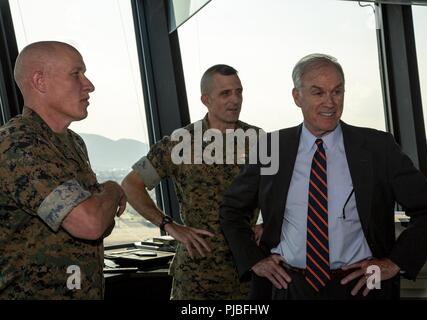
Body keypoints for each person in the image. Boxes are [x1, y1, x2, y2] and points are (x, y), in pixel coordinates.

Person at [219, 53, 427, 300]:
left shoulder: (377, 147)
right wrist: (254, 260)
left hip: (363, 283)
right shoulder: (271, 147)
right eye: (318, 93)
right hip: (287, 283)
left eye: (337, 92)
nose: (330, 102)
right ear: (297, 97)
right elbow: (232, 210)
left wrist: (394, 263)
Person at [121, 64, 260, 299]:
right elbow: (131, 184)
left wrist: (270, 226)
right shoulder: (180, 143)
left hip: (247, 271)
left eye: (239, 92)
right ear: (206, 99)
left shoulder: (259, 141)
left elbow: (283, 193)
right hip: (198, 275)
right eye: (225, 93)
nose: (235, 100)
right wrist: (169, 225)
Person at [0, 41, 126, 299]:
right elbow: (89, 224)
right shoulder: (18, 142)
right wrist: (114, 189)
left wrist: (100, 208)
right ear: (40, 82)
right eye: (75, 74)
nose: (89, 84)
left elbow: (101, 224)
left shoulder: (72, 142)